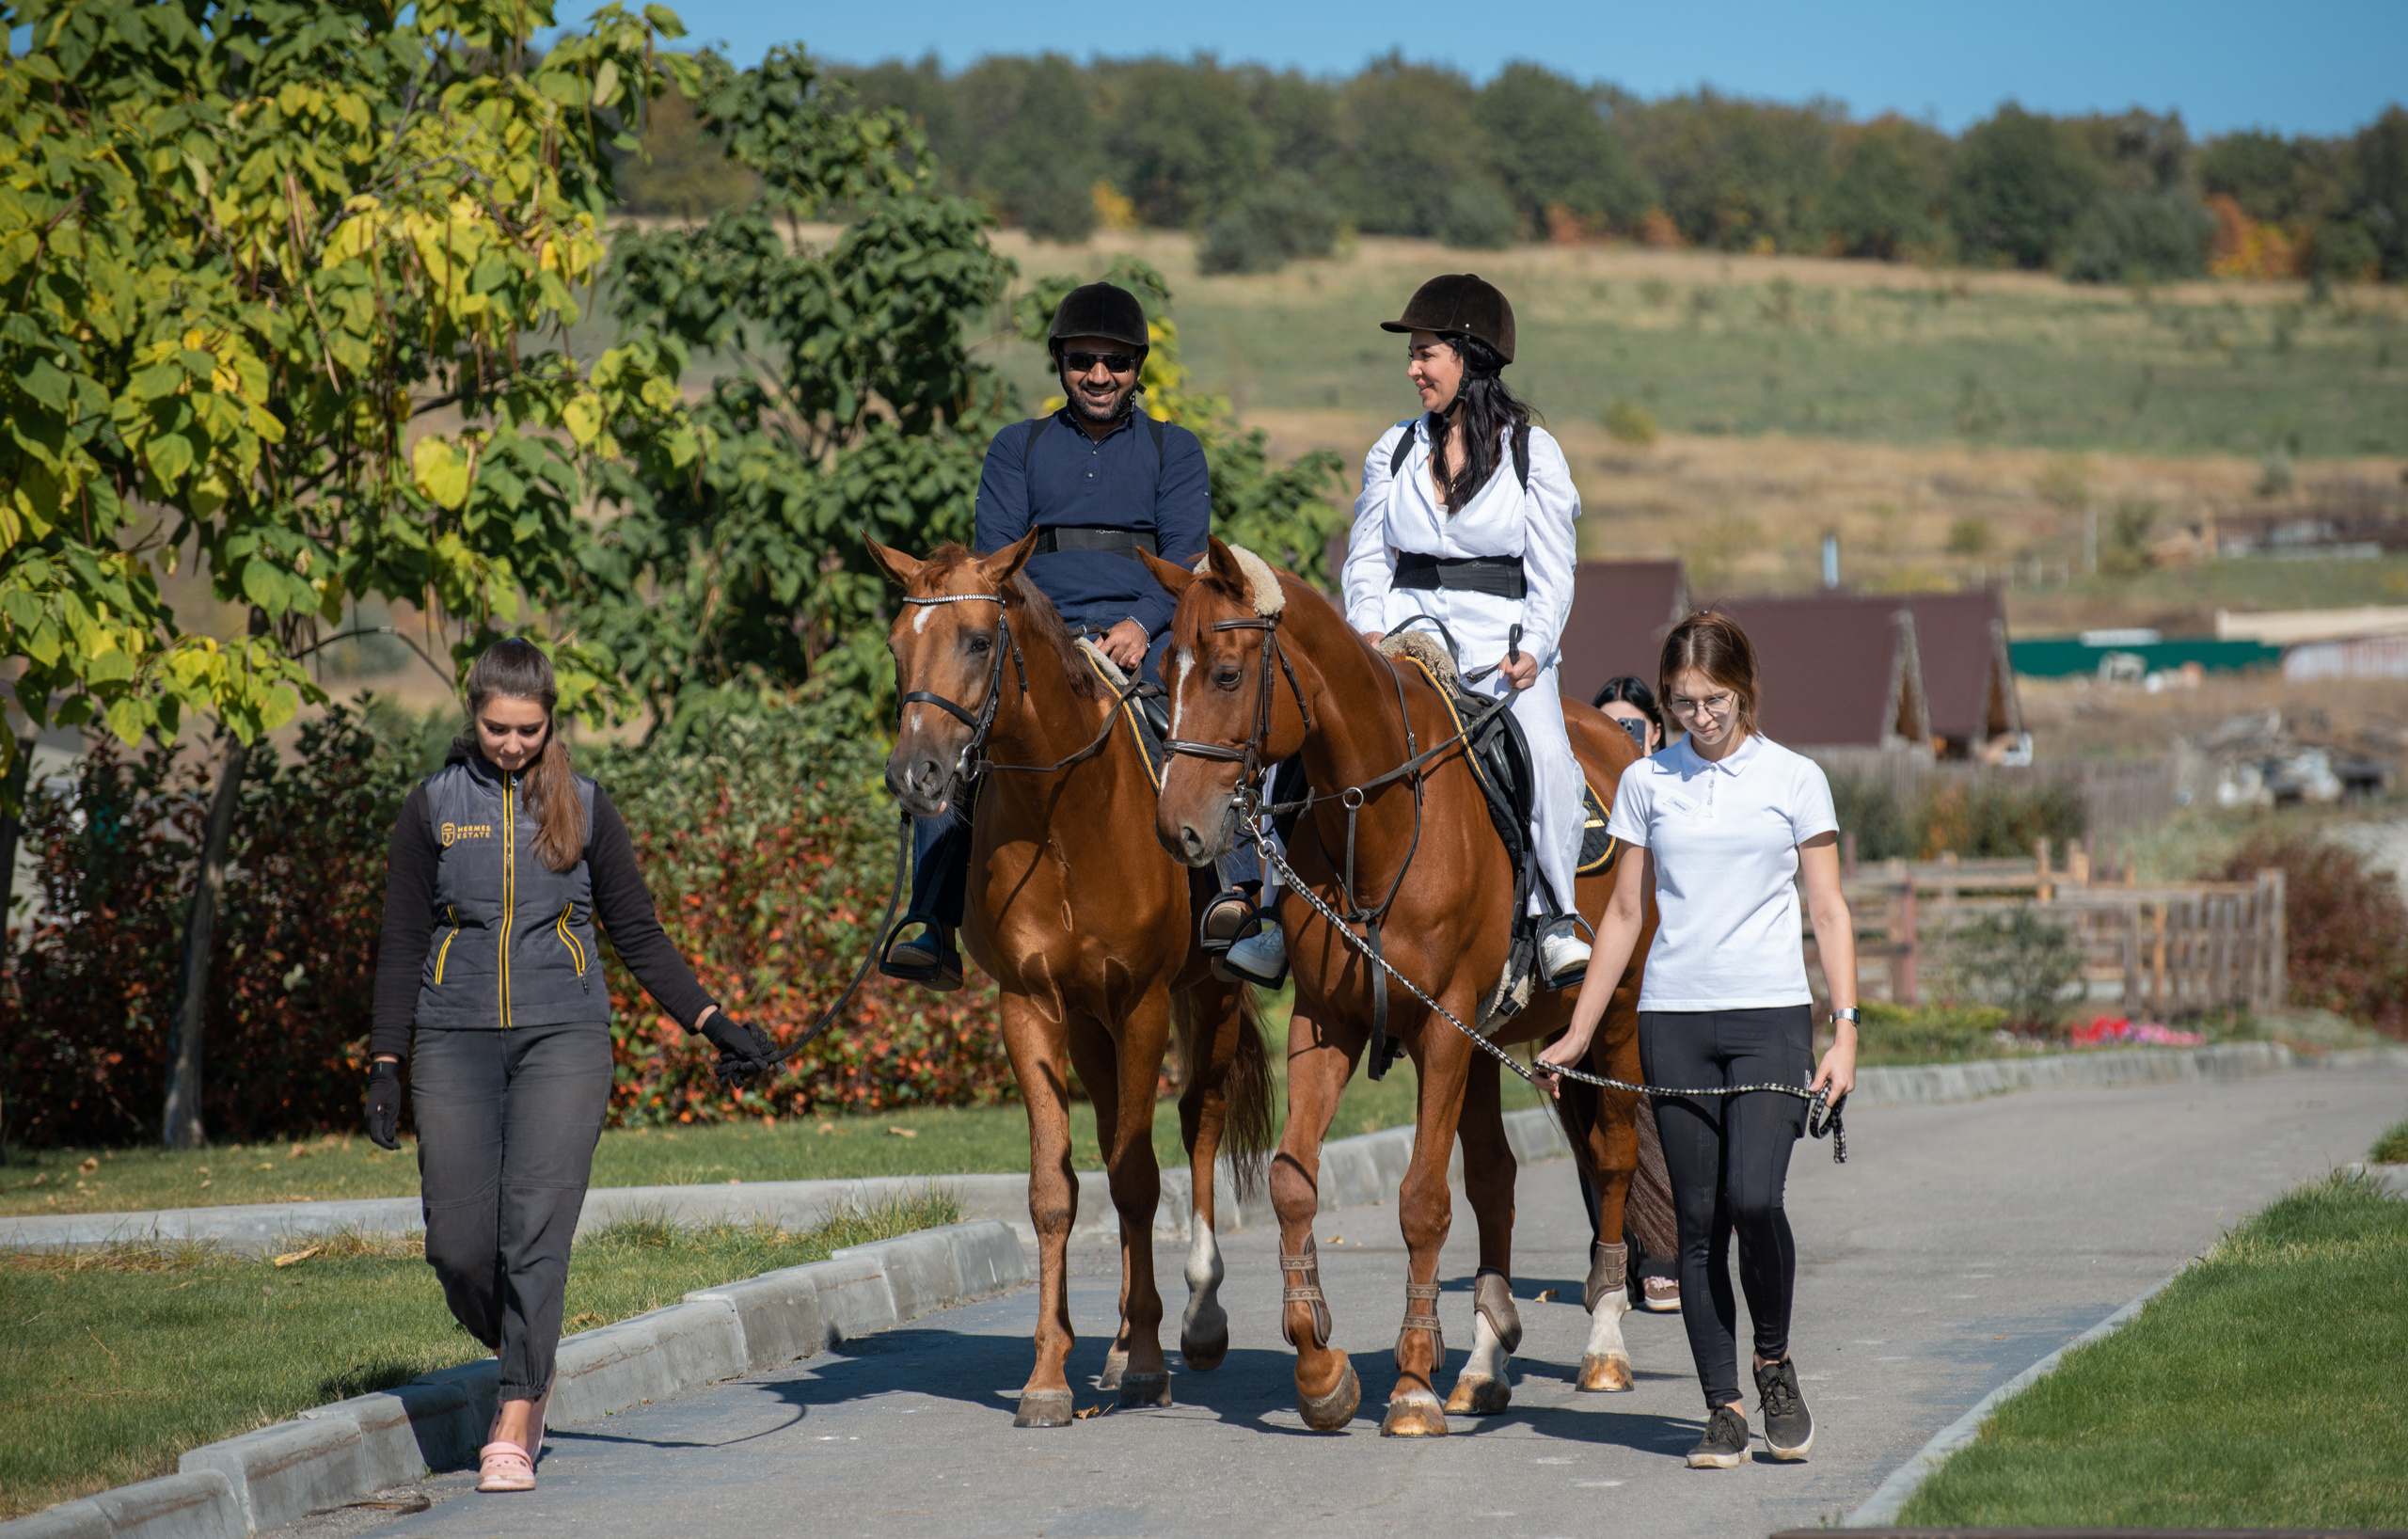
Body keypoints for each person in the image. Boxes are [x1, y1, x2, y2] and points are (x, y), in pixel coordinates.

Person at [364, 639, 778, 1495]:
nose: (512, 744)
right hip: (454, 1037)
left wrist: (714, 1025)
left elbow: (639, 936)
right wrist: (384, 1059)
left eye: (528, 729)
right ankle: (529, 1353)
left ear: (550, 722)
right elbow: (403, 937)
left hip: (566, 1040)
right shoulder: (433, 806)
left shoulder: (584, 806)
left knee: (534, 1232)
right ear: (472, 715)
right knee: (460, 1248)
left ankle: (517, 1412)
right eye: (496, 728)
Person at [1535, 611, 1860, 1469]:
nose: (1699, 717)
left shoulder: (1796, 779)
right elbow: (1627, 915)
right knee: (1697, 1226)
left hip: (1769, 1020)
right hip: (1674, 1023)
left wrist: (1846, 1030)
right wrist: (1574, 1032)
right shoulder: (1648, 783)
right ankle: (1723, 1405)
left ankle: (1774, 1366)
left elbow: (1827, 909)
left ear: (1745, 691)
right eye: (1682, 703)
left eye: (1713, 700)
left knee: (1757, 1201)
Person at [1223, 272, 1591, 991]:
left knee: (1547, 754)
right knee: (1295, 746)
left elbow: (1554, 571)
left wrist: (1535, 651)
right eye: (1413, 354)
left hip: (1499, 649)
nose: (1413, 368)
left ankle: (1554, 917)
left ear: (1471, 357)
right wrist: (1365, 633)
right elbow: (1366, 557)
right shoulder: (1391, 448)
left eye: (1427, 354)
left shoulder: (1531, 453)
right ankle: (1271, 912)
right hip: (1400, 640)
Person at [880, 280, 1211, 991]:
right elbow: (994, 563)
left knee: (1212, 736)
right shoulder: (1016, 447)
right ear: (1060, 363)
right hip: (1038, 642)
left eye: (1116, 362)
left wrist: (1141, 623)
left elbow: (1184, 556)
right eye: (1083, 360)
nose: (1098, 376)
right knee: (955, 740)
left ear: (1137, 369)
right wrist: (1049, 636)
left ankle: (1235, 907)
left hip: (1142, 635)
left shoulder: (1174, 450)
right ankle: (931, 920)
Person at [1593, 674, 1667, 758]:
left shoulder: (1677, 770)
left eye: (1629, 727)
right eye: (1608, 725)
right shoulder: (1577, 769)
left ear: (1656, 733)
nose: (1620, 735)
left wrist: (1646, 767)